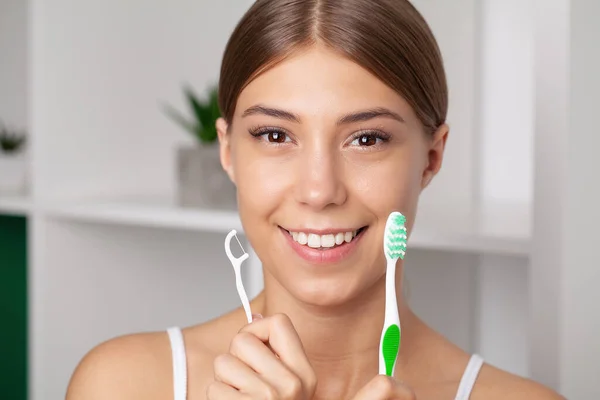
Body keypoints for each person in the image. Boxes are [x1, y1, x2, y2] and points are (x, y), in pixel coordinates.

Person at [66, 0, 565, 399]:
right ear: (228, 152)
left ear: (431, 158)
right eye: (276, 136)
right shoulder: (121, 384)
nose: (320, 191)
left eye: (367, 139)